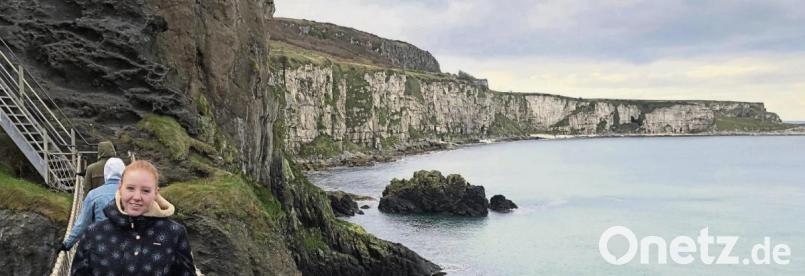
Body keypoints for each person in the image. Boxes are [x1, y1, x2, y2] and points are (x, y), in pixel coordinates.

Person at [71, 160, 195, 275]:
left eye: (145, 191)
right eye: (130, 188)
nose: (137, 197)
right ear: (120, 187)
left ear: (156, 193)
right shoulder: (94, 232)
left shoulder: (174, 233)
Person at [60, 157, 125, 251]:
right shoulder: (133, 196)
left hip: (101, 248)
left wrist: (66, 245)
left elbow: (82, 224)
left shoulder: (94, 195)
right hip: (126, 250)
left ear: (105, 173)